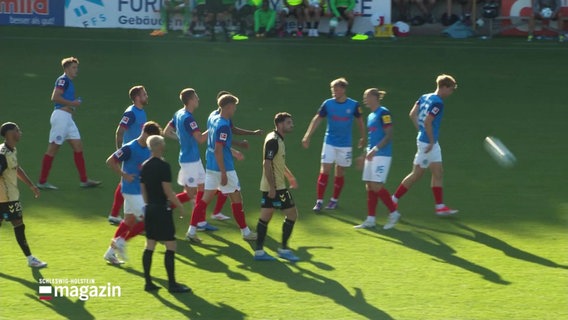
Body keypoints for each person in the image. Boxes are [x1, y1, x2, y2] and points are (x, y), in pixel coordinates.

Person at [185, 94, 257, 243]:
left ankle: (191, 231)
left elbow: (218, 145)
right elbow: (219, 150)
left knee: (204, 201)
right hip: (225, 169)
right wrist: (224, 173)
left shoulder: (212, 116)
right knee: (237, 199)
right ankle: (246, 232)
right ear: (228, 107)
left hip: (211, 167)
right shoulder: (223, 125)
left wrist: (237, 147)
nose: (235, 109)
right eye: (234, 107)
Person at [391, 74, 458, 216]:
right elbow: (428, 121)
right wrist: (431, 139)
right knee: (416, 174)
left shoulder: (424, 97)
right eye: (451, 89)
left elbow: (412, 114)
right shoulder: (438, 103)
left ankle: (440, 206)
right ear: (444, 87)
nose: (451, 92)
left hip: (426, 140)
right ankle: (393, 199)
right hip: (428, 143)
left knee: (438, 172)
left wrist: (420, 130)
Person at [302, 77, 365, 212]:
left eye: (336, 90)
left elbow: (360, 121)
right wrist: (308, 135)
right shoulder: (328, 104)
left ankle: (334, 200)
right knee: (325, 169)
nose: (334, 92)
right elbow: (317, 119)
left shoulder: (353, 105)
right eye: (332, 90)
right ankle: (319, 201)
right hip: (329, 141)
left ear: (343, 90)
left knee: (340, 171)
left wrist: (363, 137)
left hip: (345, 145)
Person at [103, 121, 162, 265]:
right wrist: (124, 175)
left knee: (129, 221)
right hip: (130, 190)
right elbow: (110, 161)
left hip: (139, 191)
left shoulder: (148, 148)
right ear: (145, 133)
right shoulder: (129, 148)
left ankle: (110, 253)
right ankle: (121, 242)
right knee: (148, 220)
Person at [37, 57, 101, 190]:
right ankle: (42, 182)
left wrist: (72, 106)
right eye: (73, 67)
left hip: (68, 120)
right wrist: (73, 104)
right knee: (53, 148)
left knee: (78, 146)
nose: (76, 70)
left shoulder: (69, 82)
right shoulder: (63, 80)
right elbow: (55, 97)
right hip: (61, 118)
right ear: (66, 69)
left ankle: (84, 180)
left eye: (76, 67)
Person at [140, 135, 190, 293]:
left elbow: (143, 190)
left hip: (150, 208)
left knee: (150, 244)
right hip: (162, 209)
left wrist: (148, 205)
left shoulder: (145, 166)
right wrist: (180, 206)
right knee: (171, 245)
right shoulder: (164, 166)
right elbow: (168, 191)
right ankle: (172, 284)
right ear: (160, 147)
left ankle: (148, 282)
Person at [163, 88, 217, 232]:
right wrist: (213, 128)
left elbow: (166, 131)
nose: (198, 99)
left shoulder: (178, 114)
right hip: (190, 161)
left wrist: (181, 138)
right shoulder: (188, 118)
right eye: (196, 97)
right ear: (191, 100)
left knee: (202, 188)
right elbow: (200, 139)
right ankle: (167, 205)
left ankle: (200, 222)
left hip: (192, 159)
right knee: (191, 193)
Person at [254, 112, 300, 262]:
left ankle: (259, 252)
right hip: (277, 187)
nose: (291, 125)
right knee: (292, 214)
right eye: (288, 122)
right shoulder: (274, 141)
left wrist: (290, 176)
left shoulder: (276, 139)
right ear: (280, 124)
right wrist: (273, 188)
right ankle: (284, 249)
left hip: (272, 185)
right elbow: (266, 163)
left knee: (265, 217)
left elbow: (278, 162)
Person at [0, 123, 47, 268]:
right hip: (8, 199)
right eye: (17, 130)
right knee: (19, 225)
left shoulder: (11, 150)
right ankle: (31, 259)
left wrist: (31, 185)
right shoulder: (2, 154)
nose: (20, 132)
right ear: (9, 134)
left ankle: (30, 258)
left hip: (6, 198)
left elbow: (16, 169)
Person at [354, 89, 401, 230]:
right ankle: (371, 219)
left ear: (375, 97)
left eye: (367, 96)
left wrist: (375, 150)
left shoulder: (384, 113)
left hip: (382, 154)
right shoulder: (370, 116)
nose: (365, 99)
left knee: (376, 185)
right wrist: (364, 154)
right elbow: (370, 139)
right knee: (369, 185)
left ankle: (394, 213)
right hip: (372, 154)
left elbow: (389, 135)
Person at [108, 85, 149, 225]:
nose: (146, 96)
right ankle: (131, 214)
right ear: (137, 98)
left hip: (140, 151)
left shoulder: (141, 111)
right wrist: (119, 153)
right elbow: (119, 132)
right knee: (128, 182)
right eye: (144, 94)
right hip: (131, 153)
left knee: (126, 183)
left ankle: (121, 214)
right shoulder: (130, 113)